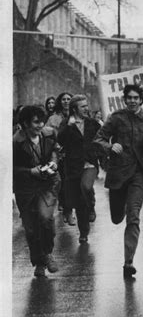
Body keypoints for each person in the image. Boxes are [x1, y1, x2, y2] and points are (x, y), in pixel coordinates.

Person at [93, 84, 143, 277]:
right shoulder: (117, 118)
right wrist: (110, 146)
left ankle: (128, 262)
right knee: (117, 218)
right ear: (124, 100)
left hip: (139, 173)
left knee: (133, 216)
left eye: (136, 98)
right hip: (118, 173)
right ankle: (119, 212)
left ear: (141, 99)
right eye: (129, 98)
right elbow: (99, 139)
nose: (132, 101)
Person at [13, 105, 60, 277]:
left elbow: (56, 149)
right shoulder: (15, 142)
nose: (40, 125)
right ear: (25, 123)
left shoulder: (49, 133)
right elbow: (9, 169)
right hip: (25, 188)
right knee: (31, 228)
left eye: (42, 121)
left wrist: (54, 162)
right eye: (35, 122)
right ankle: (39, 263)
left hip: (48, 183)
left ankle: (47, 254)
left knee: (46, 218)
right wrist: (29, 171)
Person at [57, 94, 102, 244]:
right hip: (73, 167)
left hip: (90, 163)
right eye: (83, 107)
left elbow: (101, 138)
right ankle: (83, 232)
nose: (86, 109)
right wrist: (69, 126)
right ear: (74, 109)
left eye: (86, 106)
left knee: (86, 186)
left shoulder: (92, 123)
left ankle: (92, 206)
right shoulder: (66, 123)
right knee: (79, 201)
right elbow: (60, 140)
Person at [46, 92, 73, 224]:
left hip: (74, 154)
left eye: (69, 99)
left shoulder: (77, 116)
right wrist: (55, 145)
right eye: (64, 99)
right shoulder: (53, 118)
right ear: (60, 101)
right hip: (60, 154)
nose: (66, 101)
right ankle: (67, 209)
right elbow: (47, 134)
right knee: (63, 181)